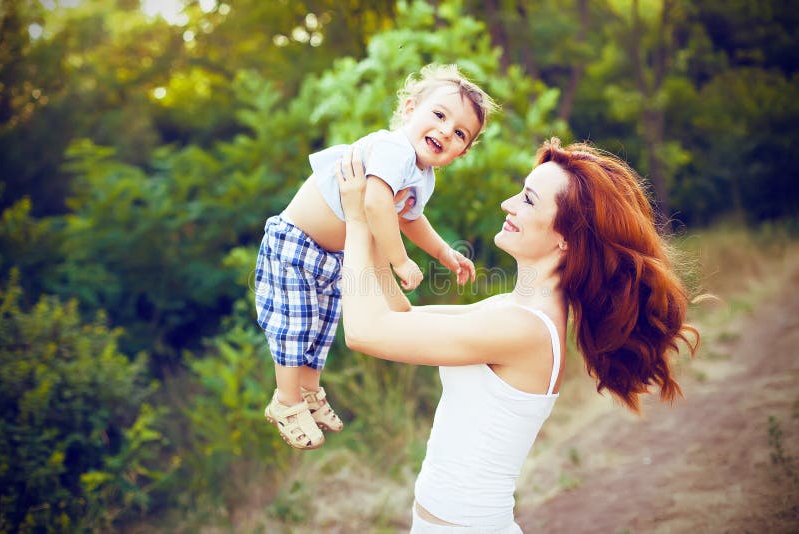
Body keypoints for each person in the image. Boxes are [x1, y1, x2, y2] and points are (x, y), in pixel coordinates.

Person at [334, 138, 700, 532]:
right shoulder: (512, 310)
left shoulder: (524, 328)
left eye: (527, 199)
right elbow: (397, 316)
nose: (508, 204)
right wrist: (375, 221)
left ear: (566, 238)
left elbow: (364, 332)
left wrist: (355, 220)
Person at [254, 64, 498, 450]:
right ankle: (286, 400)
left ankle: (310, 392)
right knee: (295, 325)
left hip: (331, 255)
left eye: (459, 133)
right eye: (438, 115)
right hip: (296, 243)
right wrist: (400, 261)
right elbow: (377, 204)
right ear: (409, 108)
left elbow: (411, 218)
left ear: (462, 152)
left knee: (322, 327)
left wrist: (444, 252)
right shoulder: (394, 149)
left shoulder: (423, 177)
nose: (444, 132)